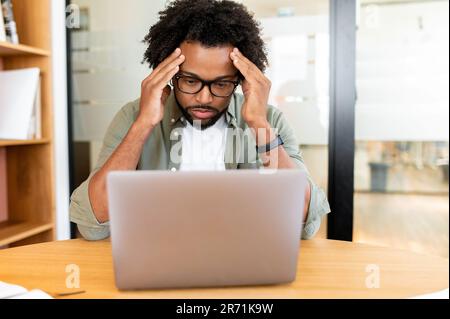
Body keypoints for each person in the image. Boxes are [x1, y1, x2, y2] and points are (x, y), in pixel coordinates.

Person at [70, 0, 331, 241]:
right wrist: (143, 124)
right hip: (158, 267)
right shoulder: (134, 117)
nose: (204, 97)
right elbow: (92, 224)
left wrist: (259, 125)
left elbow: (306, 222)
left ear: (240, 80)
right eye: (191, 81)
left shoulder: (268, 120)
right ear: (169, 75)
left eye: (221, 83)